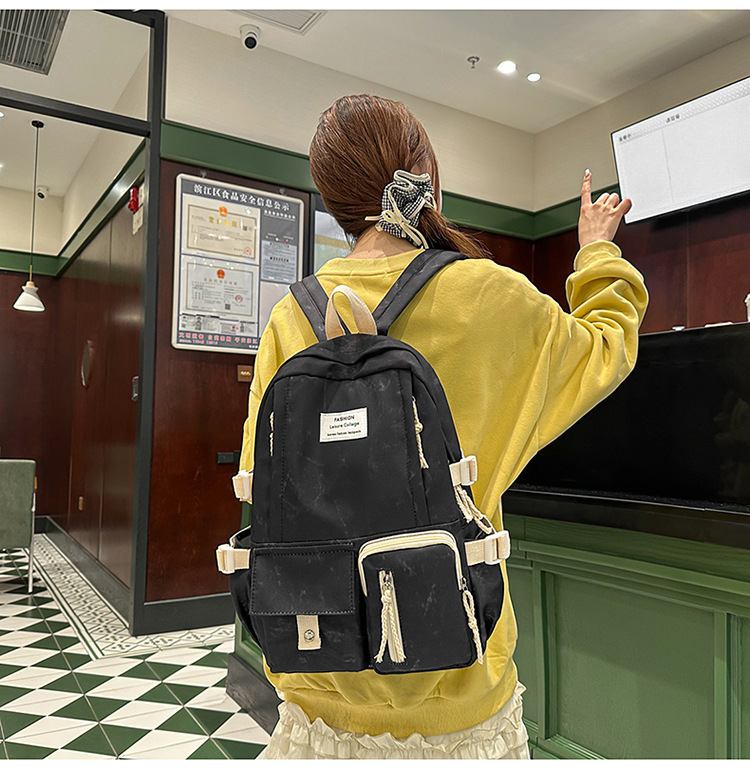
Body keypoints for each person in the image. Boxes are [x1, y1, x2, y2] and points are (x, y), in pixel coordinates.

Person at [239, 94, 648, 759]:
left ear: (333, 200)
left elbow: (258, 482)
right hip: (457, 690)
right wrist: (596, 252)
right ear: (426, 174)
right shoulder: (489, 294)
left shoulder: (291, 316)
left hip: (316, 690)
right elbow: (605, 346)